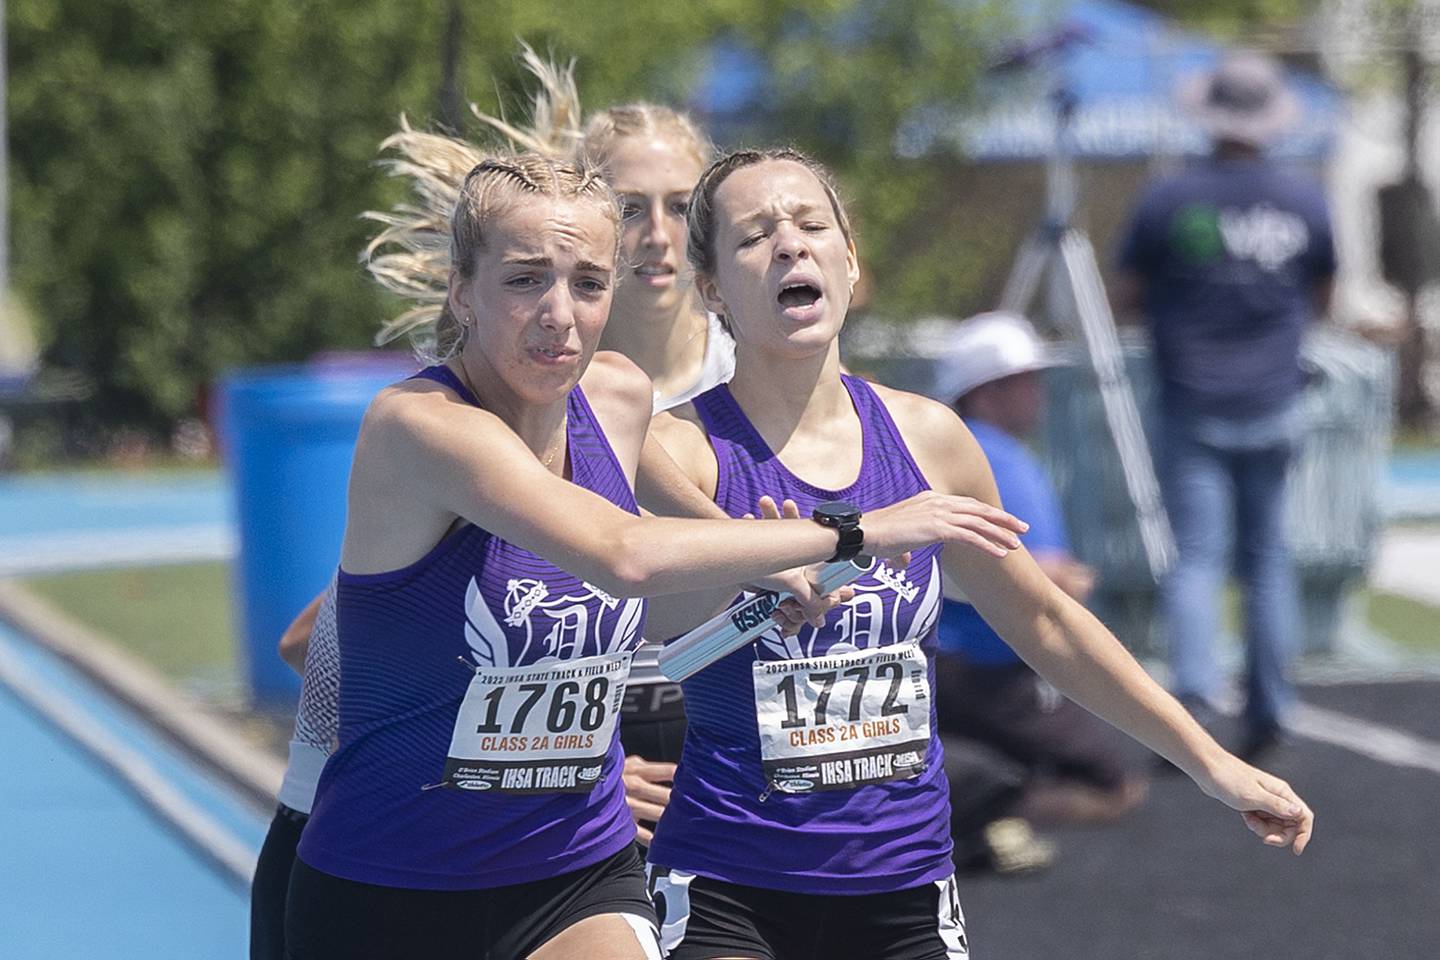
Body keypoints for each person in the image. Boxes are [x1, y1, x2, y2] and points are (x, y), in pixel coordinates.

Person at [282, 150, 1027, 960]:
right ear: (463, 289)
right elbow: (624, 554)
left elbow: (683, 521)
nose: (560, 314)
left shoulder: (617, 399)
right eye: (526, 279)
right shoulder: (417, 426)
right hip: (390, 886)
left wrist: (766, 568)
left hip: (575, 874)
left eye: (589, 284)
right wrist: (860, 531)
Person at [645, 147, 1314, 960]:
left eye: (812, 225)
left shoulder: (930, 440)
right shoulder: (678, 452)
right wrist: (755, 594)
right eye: (754, 236)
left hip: (904, 884)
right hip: (729, 886)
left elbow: (1045, 623)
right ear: (711, 287)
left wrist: (1211, 763)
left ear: (850, 261)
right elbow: (659, 635)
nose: (791, 245)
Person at [1114, 52, 1337, 762]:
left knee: (1198, 561)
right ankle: (1272, 705)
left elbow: (1126, 294)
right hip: (1274, 398)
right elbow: (1323, 294)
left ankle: (1196, 705)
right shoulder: (1303, 200)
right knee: (1268, 559)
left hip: (1192, 398)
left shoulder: (1170, 199)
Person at [928, 312, 1146, 829]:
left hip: (943, 663)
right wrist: (1072, 579)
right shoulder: (999, 458)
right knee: (1112, 786)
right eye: (1025, 380)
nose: (1037, 392)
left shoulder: (953, 449)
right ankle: (972, 815)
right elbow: (1039, 575)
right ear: (988, 390)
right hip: (990, 671)